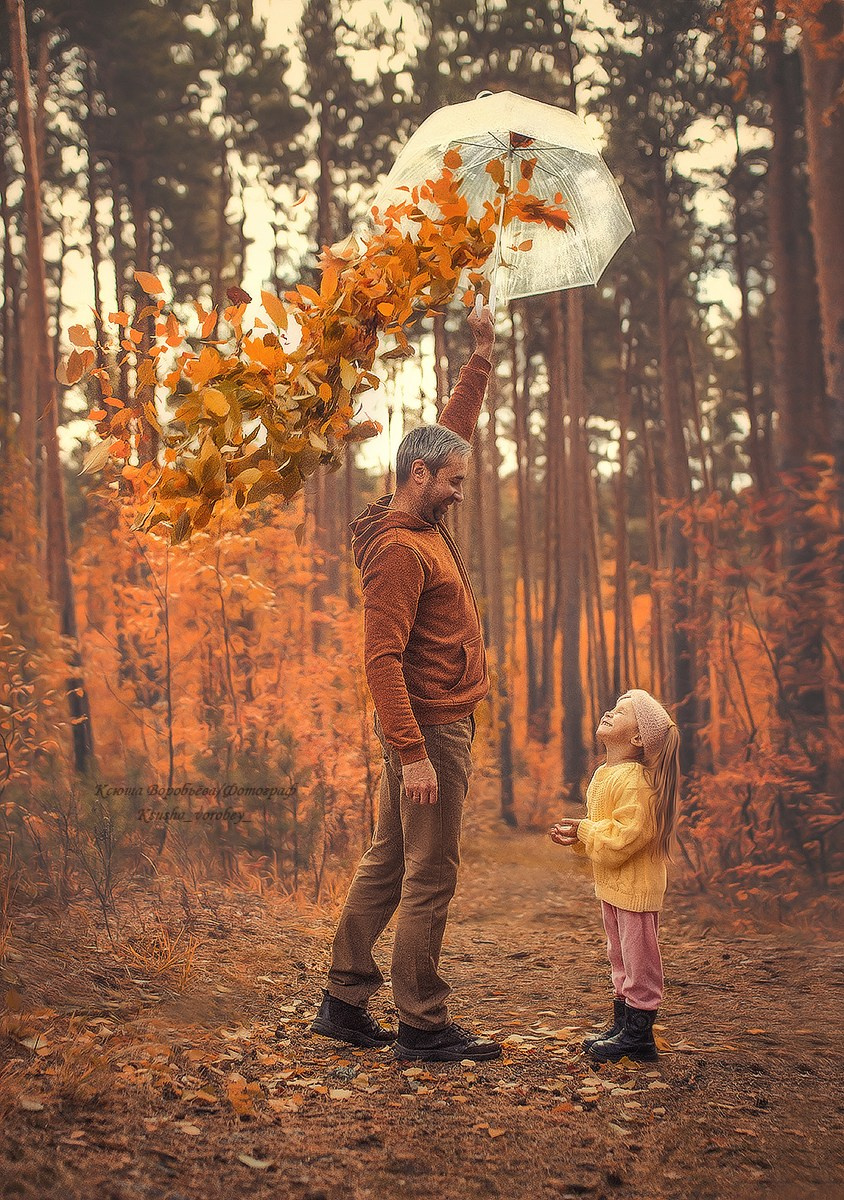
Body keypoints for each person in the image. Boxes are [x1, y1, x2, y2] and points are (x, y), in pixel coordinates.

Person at [311, 301, 502, 1063]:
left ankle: (342, 1002)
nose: (459, 490)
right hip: (430, 734)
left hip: (426, 729)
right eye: (451, 480)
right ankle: (423, 1025)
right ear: (415, 476)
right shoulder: (399, 552)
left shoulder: (421, 515)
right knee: (430, 875)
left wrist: (479, 357)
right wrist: (415, 752)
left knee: (388, 863)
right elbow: (379, 660)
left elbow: (450, 430)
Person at [550, 689, 680, 1063]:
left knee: (640, 960)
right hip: (612, 886)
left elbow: (627, 836)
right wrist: (579, 834)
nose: (609, 712)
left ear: (638, 738)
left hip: (636, 889)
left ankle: (639, 1036)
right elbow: (604, 827)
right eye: (613, 707)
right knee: (619, 955)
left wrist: (588, 832)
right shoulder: (605, 774)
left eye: (622, 712)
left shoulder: (636, 780)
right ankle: (623, 1024)